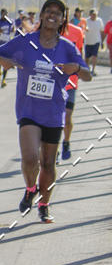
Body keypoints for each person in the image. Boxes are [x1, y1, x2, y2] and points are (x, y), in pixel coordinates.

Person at [0, 0, 90, 224]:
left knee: (48, 164)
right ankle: (30, 188)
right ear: (42, 14)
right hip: (29, 111)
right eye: (49, 11)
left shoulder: (67, 47)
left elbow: (87, 74)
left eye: (58, 13)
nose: (53, 15)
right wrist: (3, 61)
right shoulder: (26, 42)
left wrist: (76, 68)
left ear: (63, 19)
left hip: (54, 112)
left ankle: (44, 204)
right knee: (30, 158)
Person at [60, 19, 85, 160]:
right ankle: (53, 148)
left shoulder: (77, 31)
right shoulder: (48, 30)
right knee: (55, 118)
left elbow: (80, 55)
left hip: (70, 82)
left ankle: (66, 142)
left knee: (67, 117)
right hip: (53, 82)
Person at [84, 8, 104, 75]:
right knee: (87, 57)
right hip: (88, 41)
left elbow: (101, 31)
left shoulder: (99, 21)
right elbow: (83, 29)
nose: (94, 16)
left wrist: (102, 41)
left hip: (96, 41)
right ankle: (87, 69)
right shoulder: (86, 21)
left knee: (94, 56)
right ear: (90, 14)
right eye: (93, 14)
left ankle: (93, 70)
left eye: (95, 14)